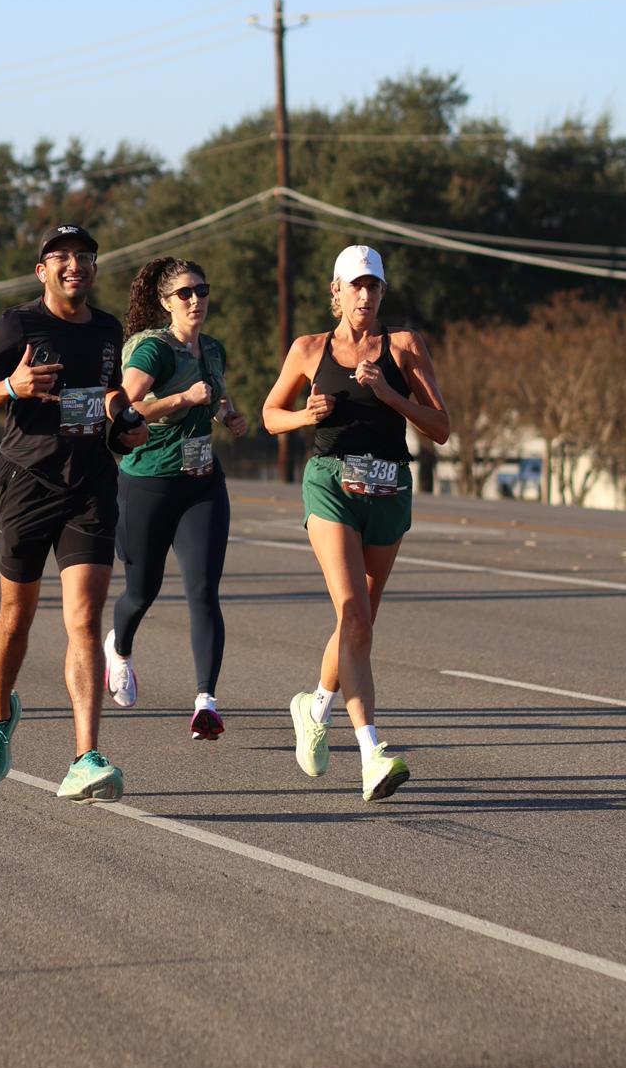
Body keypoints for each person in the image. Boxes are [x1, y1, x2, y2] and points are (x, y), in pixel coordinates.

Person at [0, 224, 147, 800]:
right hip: (27, 482)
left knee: (84, 619)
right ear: (42, 271)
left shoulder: (108, 329)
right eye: (61, 257)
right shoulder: (17, 325)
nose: (74, 265)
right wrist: (10, 387)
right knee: (17, 617)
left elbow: (110, 392)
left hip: (90, 482)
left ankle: (85, 757)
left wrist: (125, 421)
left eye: (84, 256)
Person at [262, 245, 450, 799]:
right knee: (353, 613)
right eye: (355, 286)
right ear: (336, 292)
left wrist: (389, 394)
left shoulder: (404, 346)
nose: (365, 296)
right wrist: (307, 414)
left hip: (389, 487)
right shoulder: (309, 348)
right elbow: (270, 416)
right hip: (330, 483)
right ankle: (372, 753)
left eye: (373, 287)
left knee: (360, 621)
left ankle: (315, 707)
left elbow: (441, 427)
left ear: (383, 292)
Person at [103, 257, 249, 739]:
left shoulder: (213, 349)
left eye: (201, 291)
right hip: (149, 483)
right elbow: (124, 407)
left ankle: (206, 701)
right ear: (166, 302)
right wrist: (183, 399)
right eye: (184, 293)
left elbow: (216, 395)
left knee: (203, 590)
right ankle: (119, 649)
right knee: (141, 592)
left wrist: (227, 415)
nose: (194, 300)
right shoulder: (154, 351)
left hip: (202, 483)